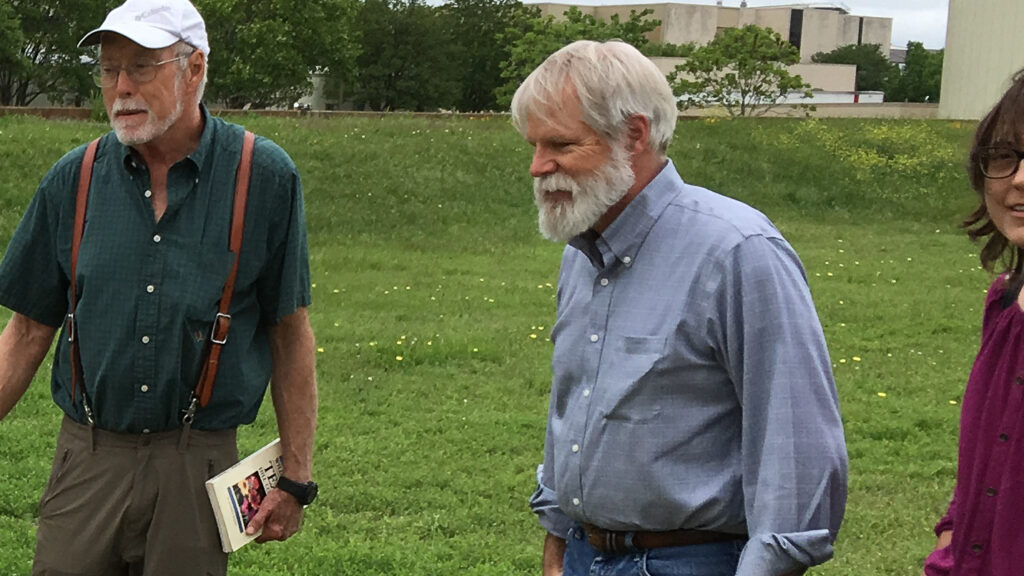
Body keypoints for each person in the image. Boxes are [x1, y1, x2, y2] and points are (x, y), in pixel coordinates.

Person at [0, 0, 318, 574]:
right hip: (89, 459)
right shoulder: (73, 179)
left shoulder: (263, 176)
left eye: (142, 67)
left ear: (194, 69)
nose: (121, 87)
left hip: (198, 467)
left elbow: (288, 332)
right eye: (108, 69)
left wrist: (296, 476)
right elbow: (25, 331)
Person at [512, 40, 848, 576]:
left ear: (634, 135)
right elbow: (570, 407)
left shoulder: (739, 250)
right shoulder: (582, 249)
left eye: (560, 144)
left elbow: (795, 444)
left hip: (693, 560)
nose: (537, 166)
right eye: (532, 145)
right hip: (583, 554)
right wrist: (558, 544)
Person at [923, 70, 1024, 576]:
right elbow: (987, 464)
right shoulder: (1004, 304)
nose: (1019, 179)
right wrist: (951, 538)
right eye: (1005, 156)